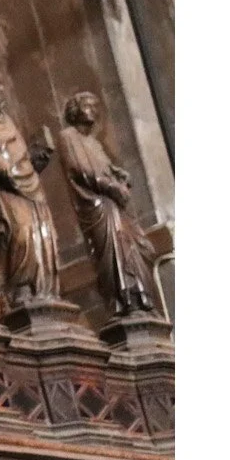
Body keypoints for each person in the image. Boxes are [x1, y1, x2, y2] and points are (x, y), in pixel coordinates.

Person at [53, 91, 160, 317]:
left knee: (137, 248)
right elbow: (81, 169)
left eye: (95, 106)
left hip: (114, 204)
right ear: (75, 109)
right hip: (98, 206)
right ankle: (125, 300)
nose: (93, 110)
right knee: (114, 250)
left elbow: (105, 167)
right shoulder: (68, 136)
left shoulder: (93, 142)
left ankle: (141, 297)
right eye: (87, 105)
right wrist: (111, 187)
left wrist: (118, 176)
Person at [0, 68, 62, 308]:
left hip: (28, 183)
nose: (0, 89)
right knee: (20, 233)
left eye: (0, 83)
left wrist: (36, 159)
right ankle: (22, 288)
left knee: (43, 234)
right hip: (2, 186)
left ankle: (44, 289)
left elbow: (20, 153)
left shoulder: (6, 119)